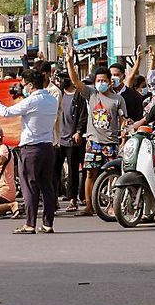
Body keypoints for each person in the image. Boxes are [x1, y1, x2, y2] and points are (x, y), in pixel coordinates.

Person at [0, 68, 58, 233]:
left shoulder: (31, 102)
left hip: (31, 148)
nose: (22, 87)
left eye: (24, 84)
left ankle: (30, 224)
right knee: (47, 186)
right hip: (47, 146)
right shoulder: (51, 99)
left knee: (29, 186)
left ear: (31, 85)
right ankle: (48, 223)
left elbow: (6, 112)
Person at [64, 45, 128, 217]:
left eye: (104, 80)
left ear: (110, 81)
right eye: (98, 80)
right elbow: (76, 81)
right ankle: (89, 206)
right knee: (90, 174)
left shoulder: (118, 99)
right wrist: (70, 62)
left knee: (112, 175)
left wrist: (123, 136)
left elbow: (123, 120)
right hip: (93, 143)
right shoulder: (91, 94)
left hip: (111, 143)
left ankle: (112, 205)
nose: (101, 83)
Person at [55, 72, 85, 211]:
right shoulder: (58, 94)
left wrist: (78, 131)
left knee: (73, 170)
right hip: (57, 138)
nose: (62, 81)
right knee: (55, 170)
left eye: (64, 78)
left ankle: (73, 199)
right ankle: (54, 199)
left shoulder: (79, 96)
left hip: (72, 138)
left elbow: (83, 115)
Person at [110, 45, 146, 122]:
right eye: (111, 75)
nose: (113, 78)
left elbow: (138, 118)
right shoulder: (107, 94)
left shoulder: (134, 96)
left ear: (123, 76)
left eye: (116, 75)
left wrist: (138, 59)